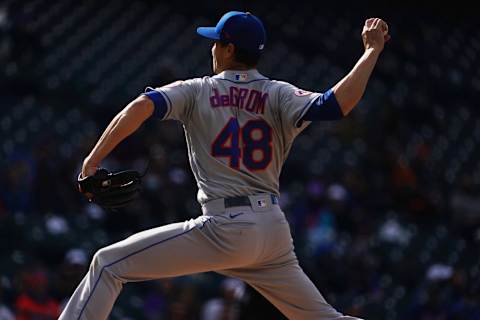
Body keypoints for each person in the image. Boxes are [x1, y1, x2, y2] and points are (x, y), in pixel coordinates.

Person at [60, 11, 389, 320]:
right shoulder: (280, 93)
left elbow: (143, 105)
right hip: (272, 232)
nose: (213, 48)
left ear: (229, 49)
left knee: (107, 264)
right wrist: (371, 51)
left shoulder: (199, 89)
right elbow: (337, 103)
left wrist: (91, 162)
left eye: (217, 42)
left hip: (225, 226)